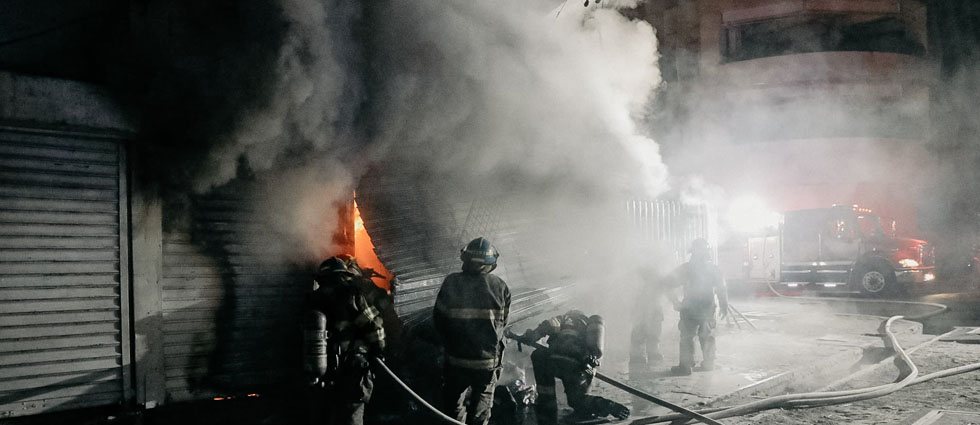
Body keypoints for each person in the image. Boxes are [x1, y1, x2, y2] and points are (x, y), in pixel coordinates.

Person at [433, 237, 512, 425]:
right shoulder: (500, 287)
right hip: (486, 363)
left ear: (465, 259)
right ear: (490, 263)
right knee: (481, 406)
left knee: (453, 403)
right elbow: (503, 325)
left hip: (456, 360)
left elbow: (439, 321)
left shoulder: (451, 282)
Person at [304, 256, 386, 425]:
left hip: (322, 373)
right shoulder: (352, 294)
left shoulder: (313, 298)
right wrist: (379, 352)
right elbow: (373, 326)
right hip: (352, 371)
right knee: (351, 417)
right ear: (343, 275)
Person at [514, 310, 630, 425]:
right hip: (578, 366)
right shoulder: (590, 329)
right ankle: (604, 404)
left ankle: (547, 404)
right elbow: (596, 354)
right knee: (577, 401)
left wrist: (526, 337)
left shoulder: (561, 319)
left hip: (554, 361)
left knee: (539, 355)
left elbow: (539, 332)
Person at [668, 238, 729, 376]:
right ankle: (708, 363)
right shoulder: (714, 269)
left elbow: (667, 284)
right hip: (707, 309)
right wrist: (724, 305)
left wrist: (675, 302)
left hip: (689, 308)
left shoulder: (685, 268)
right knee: (706, 335)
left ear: (692, 253)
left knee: (687, 337)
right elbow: (721, 289)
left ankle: (685, 366)